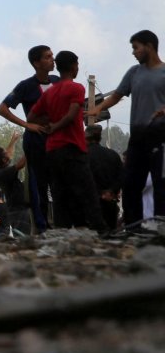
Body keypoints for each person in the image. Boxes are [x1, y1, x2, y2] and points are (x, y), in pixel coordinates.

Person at [88, 29, 165, 226]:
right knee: (131, 184)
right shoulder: (134, 72)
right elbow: (116, 96)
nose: (133, 52)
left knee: (160, 183)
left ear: (149, 47)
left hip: (159, 135)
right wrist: (97, 108)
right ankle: (134, 227)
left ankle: (160, 226)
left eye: (136, 48)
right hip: (137, 136)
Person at [29, 50, 104, 232]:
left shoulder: (50, 92)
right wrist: (56, 125)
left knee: (60, 192)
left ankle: (64, 229)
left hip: (52, 149)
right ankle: (100, 230)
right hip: (72, 146)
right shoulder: (76, 88)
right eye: (77, 64)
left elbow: (32, 117)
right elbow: (71, 115)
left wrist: (50, 122)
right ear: (73, 66)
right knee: (87, 191)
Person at [0, 45, 59, 230]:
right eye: (48, 57)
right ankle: (42, 226)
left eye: (52, 56)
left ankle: (61, 223)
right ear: (36, 63)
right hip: (36, 142)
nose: (52, 59)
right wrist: (27, 125)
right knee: (38, 185)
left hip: (58, 139)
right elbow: (2, 109)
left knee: (60, 182)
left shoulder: (58, 81)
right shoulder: (26, 86)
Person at [85, 124, 126, 232]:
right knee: (110, 239)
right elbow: (122, 176)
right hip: (110, 203)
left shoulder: (83, 156)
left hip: (90, 206)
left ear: (86, 138)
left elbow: (82, 180)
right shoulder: (113, 154)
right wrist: (111, 191)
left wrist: (99, 193)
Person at [0, 135, 31, 235]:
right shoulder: (3, 173)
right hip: (18, 209)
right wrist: (30, 148)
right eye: (6, 155)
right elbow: (21, 164)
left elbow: (8, 154)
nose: (9, 155)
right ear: (4, 160)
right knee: (22, 235)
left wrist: (13, 141)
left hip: (19, 207)